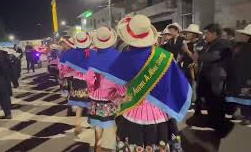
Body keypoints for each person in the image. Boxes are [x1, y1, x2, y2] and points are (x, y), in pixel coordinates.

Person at [107, 15, 191, 151]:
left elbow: (114, 89)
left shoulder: (123, 58)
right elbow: (177, 85)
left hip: (133, 111)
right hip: (161, 112)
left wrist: (120, 98)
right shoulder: (165, 56)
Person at [86, 27, 126, 152]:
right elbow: (120, 78)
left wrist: (92, 88)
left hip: (96, 96)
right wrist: (122, 93)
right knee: (116, 123)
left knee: (98, 124)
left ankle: (98, 146)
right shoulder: (118, 56)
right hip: (112, 96)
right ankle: (117, 146)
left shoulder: (92, 56)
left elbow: (89, 77)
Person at [192, 24, 234, 136]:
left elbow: (213, 56)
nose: (205, 36)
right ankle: (212, 122)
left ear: (214, 33)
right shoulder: (209, 44)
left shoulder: (223, 43)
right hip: (208, 77)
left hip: (217, 78)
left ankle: (219, 126)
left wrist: (198, 56)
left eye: (207, 33)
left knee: (217, 102)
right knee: (210, 102)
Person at [62, 32, 93, 136]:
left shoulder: (72, 54)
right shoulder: (91, 53)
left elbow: (66, 67)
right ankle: (92, 121)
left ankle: (77, 124)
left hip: (76, 80)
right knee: (91, 102)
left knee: (79, 103)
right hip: (89, 80)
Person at [226, 24, 251, 126]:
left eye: (244, 35)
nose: (242, 36)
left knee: (247, 97)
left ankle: (248, 117)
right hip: (237, 76)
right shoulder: (239, 46)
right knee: (236, 95)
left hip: (247, 77)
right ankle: (239, 113)